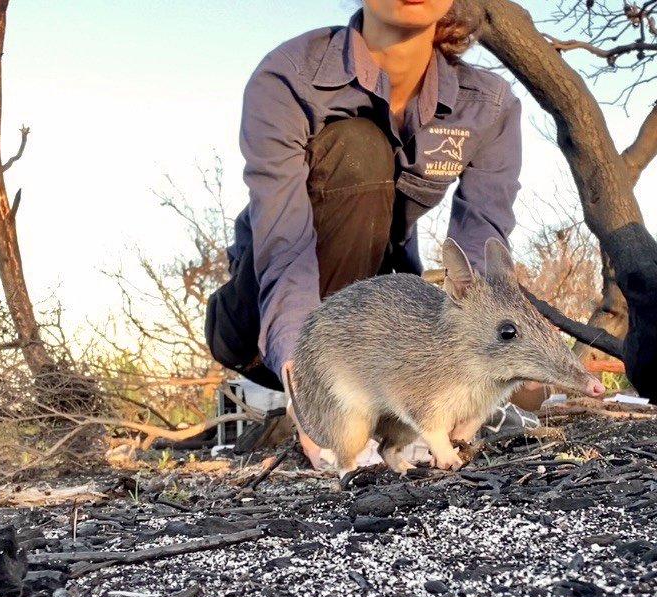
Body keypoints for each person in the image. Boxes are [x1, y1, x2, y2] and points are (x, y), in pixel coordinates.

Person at [206, 0, 540, 464]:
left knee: (505, 371)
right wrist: (308, 373)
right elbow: (285, 247)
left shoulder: (490, 104)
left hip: (383, 322)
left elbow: (482, 247)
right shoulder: (287, 76)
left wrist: (476, 378)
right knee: (359, 146)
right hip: (265, 324)